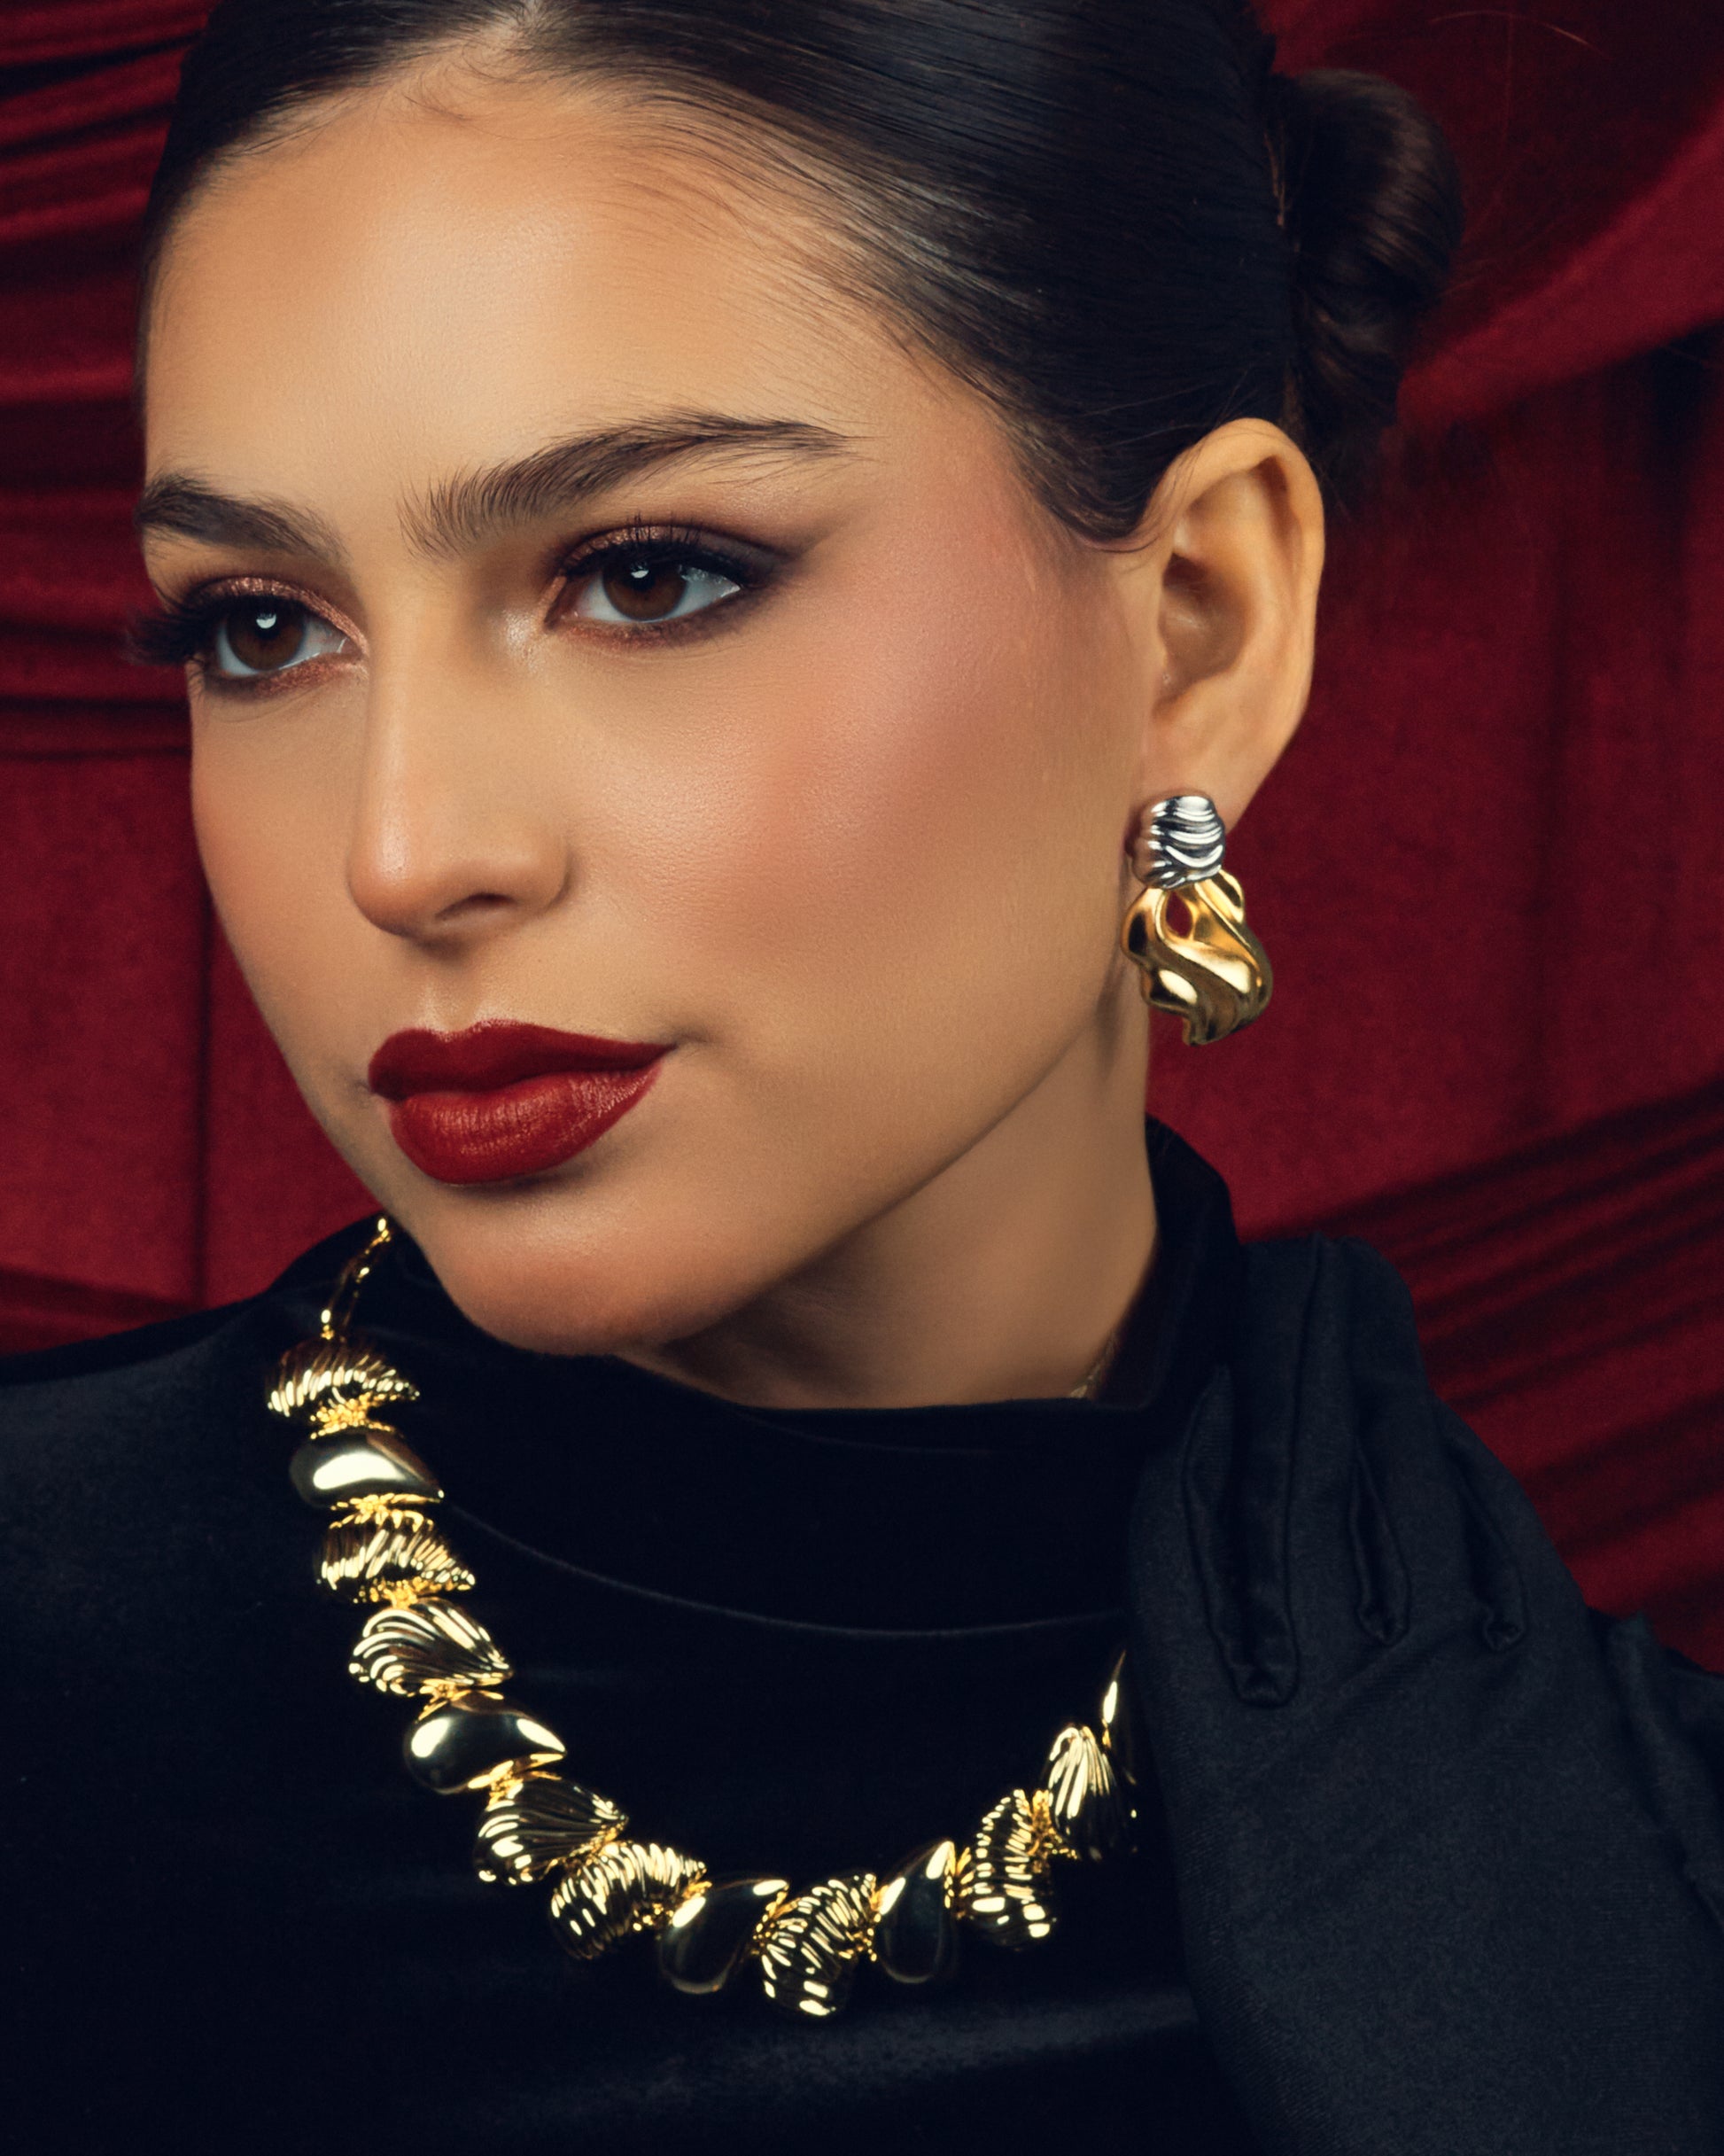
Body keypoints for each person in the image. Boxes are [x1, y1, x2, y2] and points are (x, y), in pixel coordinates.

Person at [4, 1, 1723, 2150]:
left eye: (647, 576)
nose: (404, 849)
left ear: (1197, 623)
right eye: (261, 626)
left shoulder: (1626, 1900)